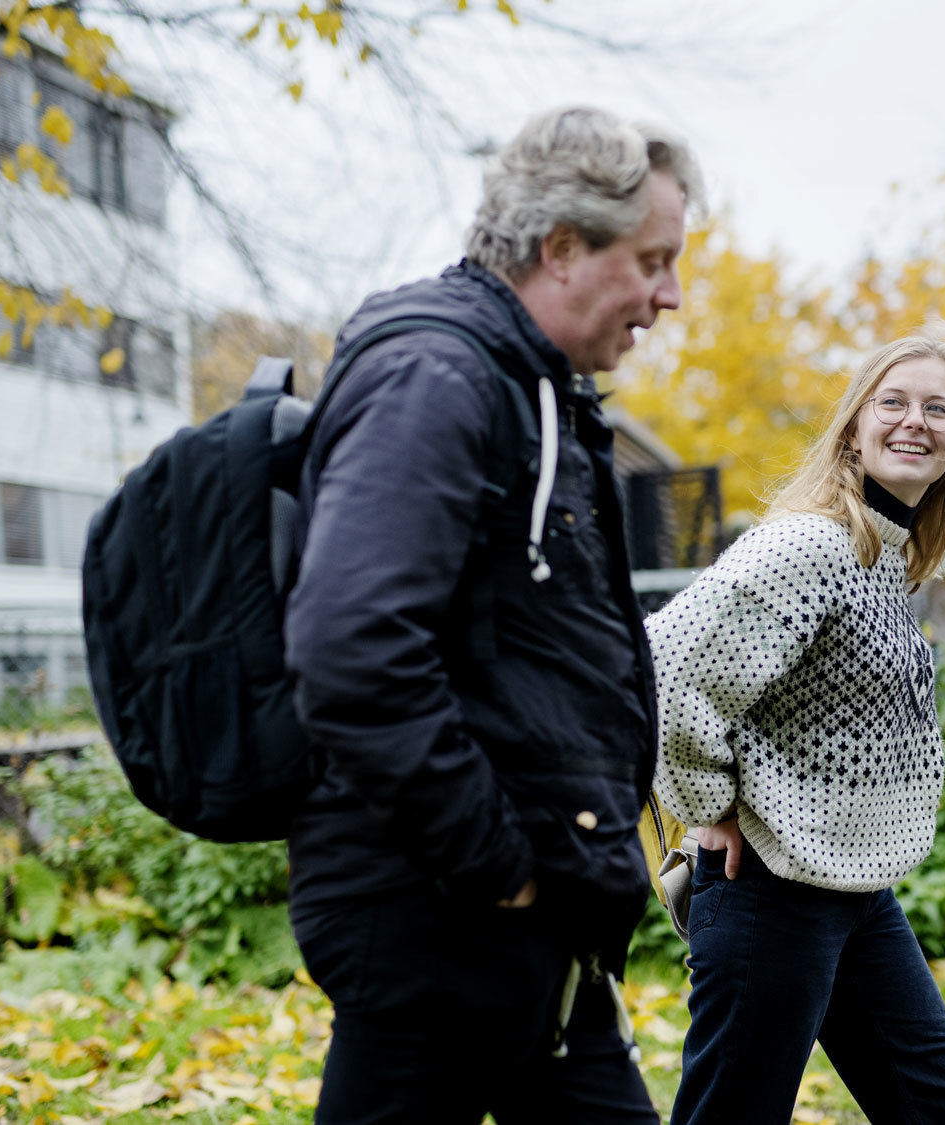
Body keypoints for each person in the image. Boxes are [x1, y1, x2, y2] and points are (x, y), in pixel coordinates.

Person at [282, 106, 702, 1124]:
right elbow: (352, 649)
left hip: (523, 918)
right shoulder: (435, 376)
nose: (669, 296)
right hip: (443, 917)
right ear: (561, 248)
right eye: (651, 260)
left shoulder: (529, 385)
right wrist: (501, 869)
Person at [649, 332, 945, 1125]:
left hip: (852, 890)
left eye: (938, 409)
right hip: (769, 892)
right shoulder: (813, 544)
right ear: (854, 425)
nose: (916, 421)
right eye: (895, 402)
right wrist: (708, 805)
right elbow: (667, 665)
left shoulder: (882, 554)